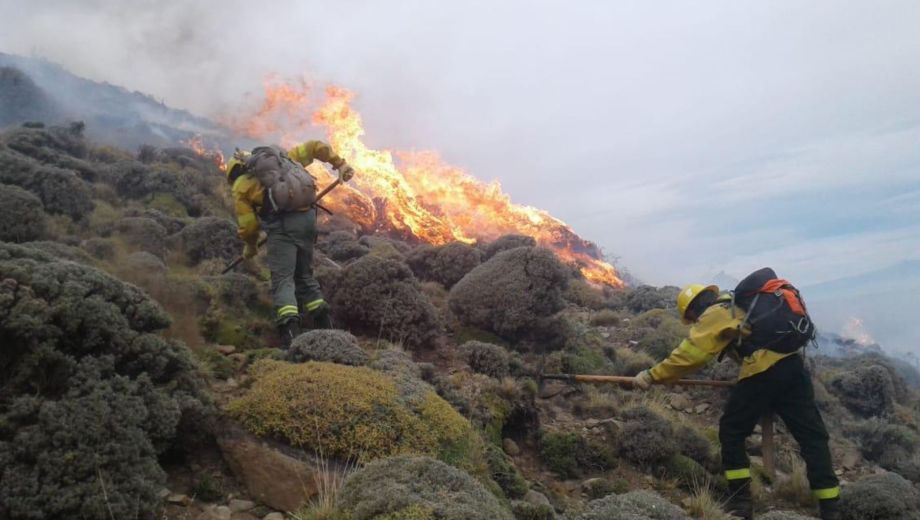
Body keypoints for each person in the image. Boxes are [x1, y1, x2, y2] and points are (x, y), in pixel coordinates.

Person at [633, 284, 839, 520]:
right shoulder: (738, 304)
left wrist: (651, 375)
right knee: (812, 436)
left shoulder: (715, 313)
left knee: (732, 431)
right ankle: (831, 506)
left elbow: (691, 355)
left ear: (693, 309)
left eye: (690, 318)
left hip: (762, 371)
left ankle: (741, 503)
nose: (692, 322)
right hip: (794, 368)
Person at [225, 141, 354, 345]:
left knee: (283, 279)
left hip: (282, 229)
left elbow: (249, 227)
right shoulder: (284, 159)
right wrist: (340, 164)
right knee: (304, 275)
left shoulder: (241, 186)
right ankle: (326, 326)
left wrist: (250, 247)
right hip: (308, 221)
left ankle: (290, 334)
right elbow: (314, 146)